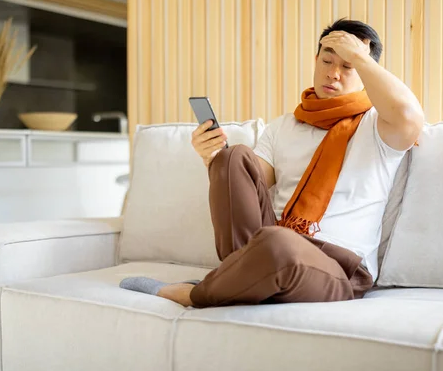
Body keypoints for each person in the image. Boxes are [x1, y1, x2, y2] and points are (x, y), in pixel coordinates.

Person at [120, 18, 424, 308]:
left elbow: (409, 115)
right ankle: (243, 276)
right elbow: (247, 186)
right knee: (233, 156)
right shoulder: (284, 127)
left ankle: (196, 293)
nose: (333, 73)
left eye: (347, 66)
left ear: (365, 70)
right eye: (327, 61)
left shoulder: (379, 127)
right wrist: (211, 159)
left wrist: (362, 57)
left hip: (337, 267)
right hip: (264, 244)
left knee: (279, 244)